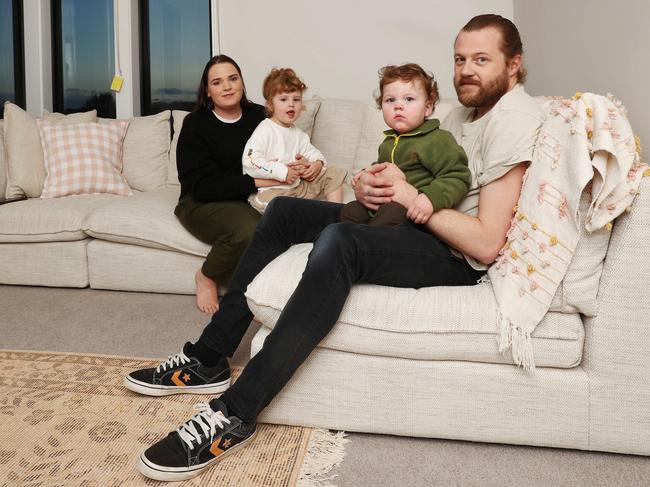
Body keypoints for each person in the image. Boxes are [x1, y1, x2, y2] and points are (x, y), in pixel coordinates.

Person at [125, 14, 545, 482]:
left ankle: (236, 411)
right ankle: (209, 357)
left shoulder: (513, 119)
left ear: (514, 65)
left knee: (339, 240)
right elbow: (409, 175)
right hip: (408, 222)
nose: (466, 70)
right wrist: (371, 191)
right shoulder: (467, 112)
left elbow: (486, 244)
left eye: (481, 59)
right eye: (460, 59)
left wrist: (406, 197)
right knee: (284, 211)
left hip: (448, 252)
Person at [174, 55, 278, 314]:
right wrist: (257, 180)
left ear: (242, 82)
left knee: (285, 223)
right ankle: (207, 275)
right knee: (249, 229)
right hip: (200, 201)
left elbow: (282, 148)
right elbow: (200, 186)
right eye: (217, 82)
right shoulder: (195, 124)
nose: (227, 87)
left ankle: (258, 294)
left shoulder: (260, 116)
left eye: (233, 78)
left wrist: (302, 163)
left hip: (248, 196)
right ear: (208, 91)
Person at [340, 63, 470, 226]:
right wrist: (366, 174)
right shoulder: (388, 142)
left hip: (413, 213)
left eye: (409, 99)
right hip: (382, 205)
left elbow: (458, 176)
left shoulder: (437, 139)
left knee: (391, 214)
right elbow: (382, 167)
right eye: (390, 100)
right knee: (350, 210)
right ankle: (354, 243)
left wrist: (430, 198)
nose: (398, 105)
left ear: (428, 107)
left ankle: (372, 244)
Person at [243, 67, 346, 213]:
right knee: (280, 206)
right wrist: (282, 171)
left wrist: (315, 165)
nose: (291, 104)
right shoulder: (265, 130)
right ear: (270, 105)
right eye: (284, 99)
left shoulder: (299, 135)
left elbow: (315, 154)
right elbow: (250, 161)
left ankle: (334, 214)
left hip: (298, 188)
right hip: (273, 192)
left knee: (334, 173)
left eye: (296, 99)